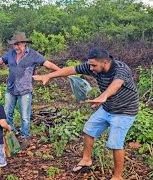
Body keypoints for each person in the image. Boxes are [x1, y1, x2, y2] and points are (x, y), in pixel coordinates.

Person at [33, 47, 139, 180]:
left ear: (105, 62)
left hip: (125, 111)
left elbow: (116, 84)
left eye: (94, 65)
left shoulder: (121, 69)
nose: (91, 68)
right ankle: (86, 159)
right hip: (107, 107)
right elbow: (71, 69)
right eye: (90, 65)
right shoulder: (92, 66)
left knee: (114, 143)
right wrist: (48, 75)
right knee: (88, 130)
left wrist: (103, 96)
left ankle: (117, 176)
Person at [0, 32, 60, 147]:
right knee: (7, 113)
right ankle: (11, 134)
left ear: (24, 43)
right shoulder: (10, 54)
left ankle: (25, 136)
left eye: (18, 44)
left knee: (25, 116)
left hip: (25, 90)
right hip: (11, 89)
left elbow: (48, 64)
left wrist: (61, 72)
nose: (16, 47)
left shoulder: (33, 55)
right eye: (14, 45)